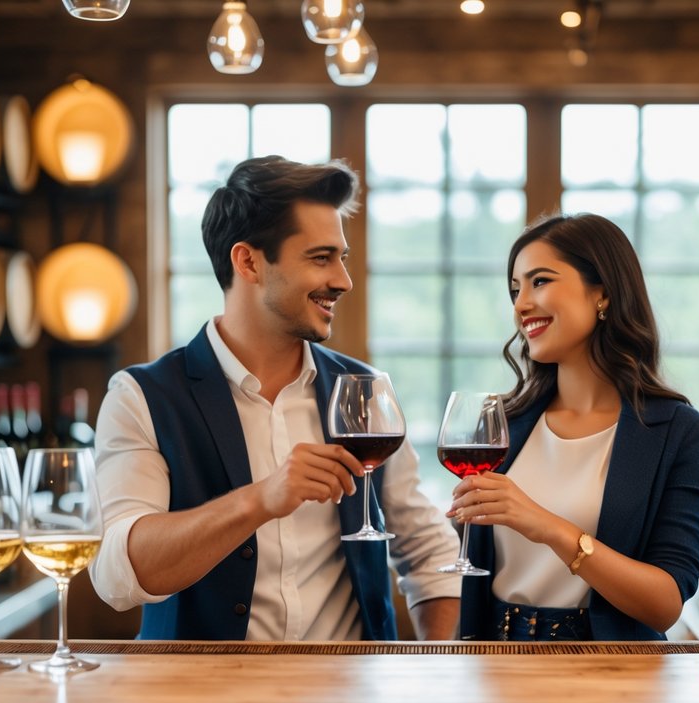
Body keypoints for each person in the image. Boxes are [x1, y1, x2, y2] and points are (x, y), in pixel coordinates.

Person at [90, 156, 461, 641]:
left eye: (342, 258)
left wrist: (438, 675)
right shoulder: (140, 396)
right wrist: (261, 499)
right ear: (248, 262)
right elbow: (117, 577)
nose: (343, 280)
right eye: (320, 257)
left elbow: (429, 553)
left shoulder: (365, 391)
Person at [451, 213, 699, 641]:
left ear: (603, 294)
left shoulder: (680, 434)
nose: (520, 304)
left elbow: (665, 605)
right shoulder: (502, 422)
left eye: (540, 281)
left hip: (611, 673)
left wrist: (550, 528)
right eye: (516, 289)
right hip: (491, 666)